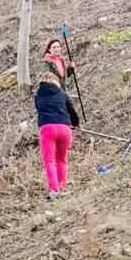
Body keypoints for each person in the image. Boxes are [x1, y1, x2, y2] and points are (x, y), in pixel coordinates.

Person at [34, 71, 79, 200]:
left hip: (47, 128)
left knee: (49, 160)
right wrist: (76, 124)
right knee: (61, 160)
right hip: (64, 128)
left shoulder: (38, 96)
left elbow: (39, 109)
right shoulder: (62, 94)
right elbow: (72, 111)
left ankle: (54, 189)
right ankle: (62, 186)